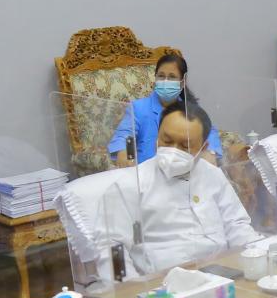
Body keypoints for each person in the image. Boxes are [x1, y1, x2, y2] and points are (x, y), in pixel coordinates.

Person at [73, 102, 262, 277]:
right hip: (164, 282)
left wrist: (258, 256)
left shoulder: (212, 175)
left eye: (185, 146)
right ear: (157, 137)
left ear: (203, 147)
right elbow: (111, 248)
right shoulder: (130, 185)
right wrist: (129, 291)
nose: (173, 150)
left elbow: (236, 225)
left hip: (223, 272)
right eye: (167, 141)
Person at [107, 52, 223, 167]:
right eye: (161, 76)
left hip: (180, 170)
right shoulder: (138, 108)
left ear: (182, 83)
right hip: (146, 171)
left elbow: (209, 131)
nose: (165, 81)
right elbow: (126, 135)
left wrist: (210, 151)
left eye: (172, 77)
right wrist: (125, 152)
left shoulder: (189, 109)